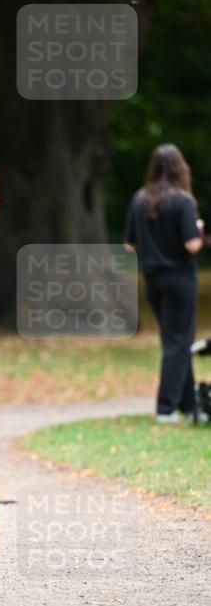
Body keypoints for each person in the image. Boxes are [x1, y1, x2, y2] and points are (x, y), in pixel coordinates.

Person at [124, 143, 204, 423]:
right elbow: (192, 244)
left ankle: (188, 403)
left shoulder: (140, 199)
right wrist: (200, 231)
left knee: (174, 340)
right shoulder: (183, 201)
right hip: (180, 278)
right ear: (180, 168)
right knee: (178, 342)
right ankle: (166, 408)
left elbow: (130, 244)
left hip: (152, 279)